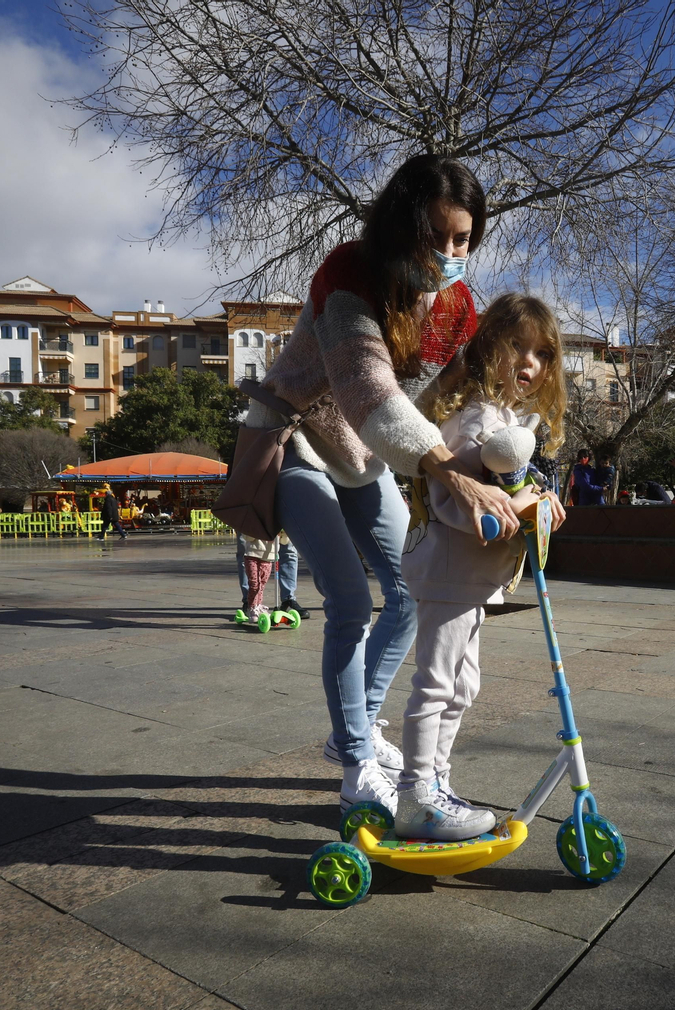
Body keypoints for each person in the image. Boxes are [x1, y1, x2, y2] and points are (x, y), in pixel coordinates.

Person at [250, 154, 521, 816]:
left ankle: (356, 732)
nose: (452, 253)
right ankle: (355, 768)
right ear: (402, 227)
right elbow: (367, 386)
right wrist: (444, 470)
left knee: (406, 592)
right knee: (347, 601)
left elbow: (454, 399)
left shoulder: (456, 305)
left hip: (370, 457)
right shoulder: (350, 273)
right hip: (295, 442)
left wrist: (508, 460)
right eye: (438, 236)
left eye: (464, 239)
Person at [398, 293, 567, 838]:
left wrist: (536, 498)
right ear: (487, 347)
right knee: (436, 683)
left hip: (470, 579)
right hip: (448, 569)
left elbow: (507, 487)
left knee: (462, 686)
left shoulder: (510, 421)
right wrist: (524, 505)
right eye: (516, 346)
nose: (529, 362)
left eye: (541, 353)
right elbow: (455, 502)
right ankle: (417, 792)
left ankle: (436, 784)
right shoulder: (475, 417)